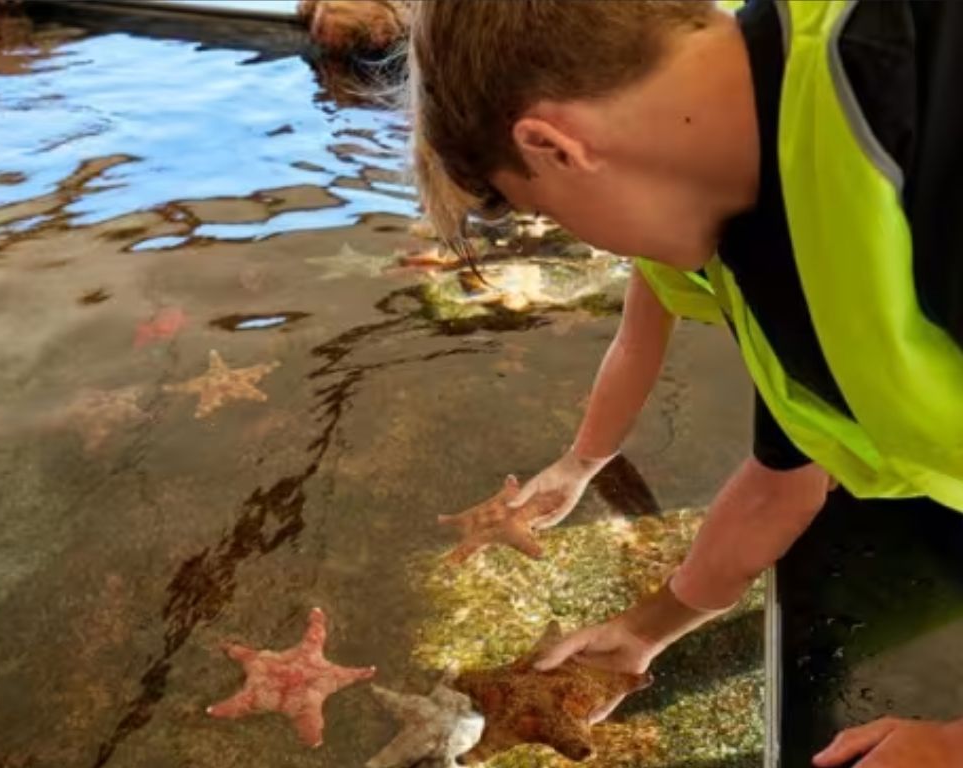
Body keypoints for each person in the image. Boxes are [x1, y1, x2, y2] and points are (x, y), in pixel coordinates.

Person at [406, 1, 963, 766]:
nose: (594, 244)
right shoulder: (736, 210)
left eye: (549, 215)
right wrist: (645, 630)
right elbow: (783, 476)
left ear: (555, 146)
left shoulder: (916, 82)